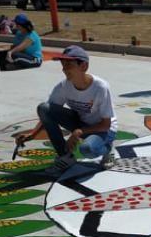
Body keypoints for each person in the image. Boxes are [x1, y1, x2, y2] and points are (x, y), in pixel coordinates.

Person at [15, 46, 118, 175]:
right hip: (80, 122)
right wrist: (33, 134)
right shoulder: (64, 86)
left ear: (84, 66)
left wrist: (79, 132)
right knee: (44, 108)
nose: (64, 69)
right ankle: (65, 157)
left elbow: (105, 124)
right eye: (63, 64)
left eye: (69, 64)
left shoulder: (100, 87)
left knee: (87, 149)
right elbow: (47, 112)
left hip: (103, 130)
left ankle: (107, 150)